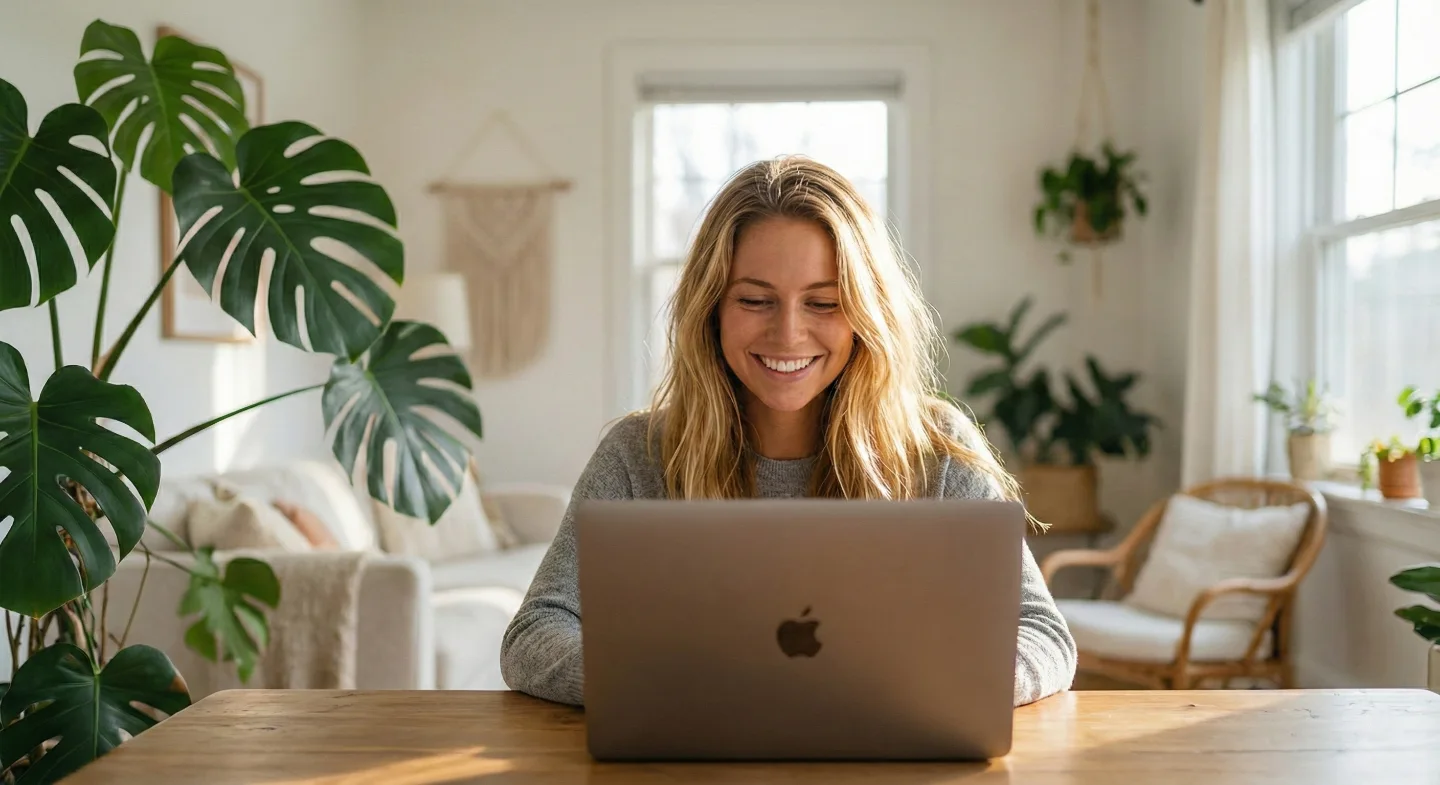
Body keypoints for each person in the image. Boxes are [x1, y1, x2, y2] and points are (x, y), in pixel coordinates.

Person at [500, 156, 1076, 707]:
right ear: (712, 308)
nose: (789, 333)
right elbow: (535, 634)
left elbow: (1042, 635)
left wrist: (929, 686)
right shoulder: (637, 454)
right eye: (755, 299)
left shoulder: (936, 450)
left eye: (823, 303)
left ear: (864, 313)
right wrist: (678, 685)